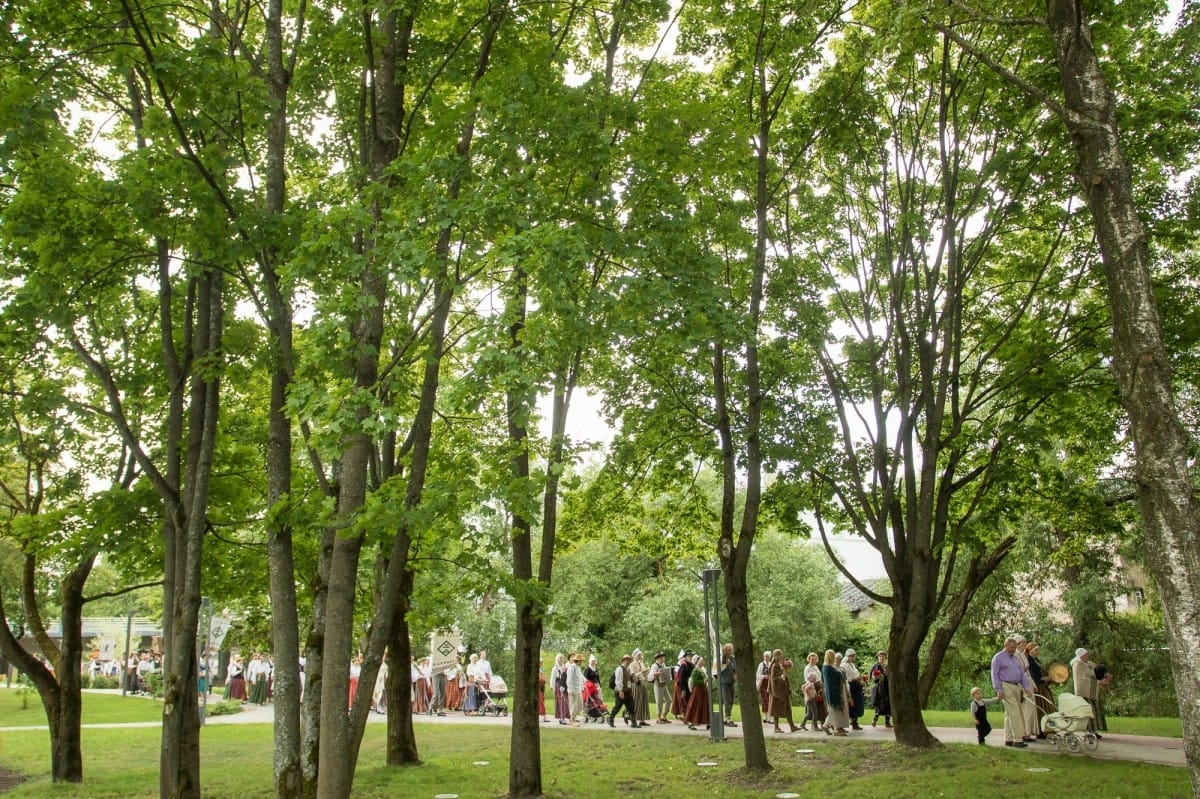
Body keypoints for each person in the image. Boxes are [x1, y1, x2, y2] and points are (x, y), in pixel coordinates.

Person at [990, 636, 1033, 747]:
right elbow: (994, 674)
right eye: (1011, 647)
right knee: (1015, 712)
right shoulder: (998, 657)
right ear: (1005, 646)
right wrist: (998, 689)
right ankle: (1018, 739)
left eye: (1014, 647)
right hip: (1005, 685)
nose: (1013, 649)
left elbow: (1021, 674)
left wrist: (1026, 687)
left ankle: (1008, 739)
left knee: (1010, 713)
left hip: (1016, 686)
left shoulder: (1015, 659)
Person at [767, 649, 800, 733]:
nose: (781, 656)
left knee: (788, 708)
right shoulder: (774, 666)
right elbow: (773, 679)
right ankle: (776, 727)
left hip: (783, 690)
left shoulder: (780, 665)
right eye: (779, 655)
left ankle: (792, 725)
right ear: (775, 656)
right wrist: (781, 677)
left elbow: (785, 671)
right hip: (777, 691)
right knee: (776, 709)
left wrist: (787, 667)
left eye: (781, 654)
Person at [1070, 647, 1101, 737]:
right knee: (1087, 711)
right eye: (1086, 655)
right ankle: (1089, 731)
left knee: (1092, 710)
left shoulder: (1085, 663)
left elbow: (1094, 671)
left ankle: (1093, 731)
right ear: (1082, 655)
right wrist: (1098, 679)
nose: (1088, 656)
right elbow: (1086, 676)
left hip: (1089, 691)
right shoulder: (1078, 664)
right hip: (1083, 692)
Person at [1025, 641, 1052, 738]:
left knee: (1046, 707)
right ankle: (1041, 730)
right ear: (1030, 650)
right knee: (1040, 708)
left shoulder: (1036, 660)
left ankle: (1048, 729)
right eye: (1035, 650)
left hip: (1042, 686)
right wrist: (1043, 678)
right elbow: (1031, 673)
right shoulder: (1028, 660)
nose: (1037, 652)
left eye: (1037, 650)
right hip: (1037, 686)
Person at [821, 649, 849, 736]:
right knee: (835, 710)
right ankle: (836, 729)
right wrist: (840, 675)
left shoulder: (830, 666)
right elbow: (835, 677)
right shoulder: (827, 667)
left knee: (836, 710)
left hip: (838, 689)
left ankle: (831, 726)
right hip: (833, 691)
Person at [684, 654, 711, 730]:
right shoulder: (695, 670)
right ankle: (691, 722)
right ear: (698, 662)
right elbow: (695, 682)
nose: (703, 662)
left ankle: (707, 722)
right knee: (696, 706)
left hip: (702, 690)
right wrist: (704, 681)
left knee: (704, 706)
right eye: (702, 661)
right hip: (698, 691)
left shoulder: (701, 670)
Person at [842, 648, 865, 730]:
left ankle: (855, 721)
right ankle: (853, 722)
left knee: (858, 704)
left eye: (854, 656)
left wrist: (860, 679)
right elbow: (846, 678)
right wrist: (856, 679)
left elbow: (856, 674)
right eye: (852, 656)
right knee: (853, 704)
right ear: (848, 656)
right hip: (851, 686)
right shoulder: (844, 665)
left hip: (856, 686)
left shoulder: (852, 665)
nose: (853, 658)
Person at [609, 654, 635, 727]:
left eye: (629, 660)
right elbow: (618, 681)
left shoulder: (628, 669)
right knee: (617, 707)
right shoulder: (619, 669)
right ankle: (610, 720)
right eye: (626, 660)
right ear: (623, 661)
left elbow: (629, 681)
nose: (627, 661)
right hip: (620, 692)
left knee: (631, 707)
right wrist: (621, 691)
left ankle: (634, 723)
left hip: (628, 692)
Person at [648, 651, 674, 723]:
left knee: (669, 700)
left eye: (663, 657)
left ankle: (664, 716)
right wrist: (655, 674)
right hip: (658, 685)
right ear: (658, 658)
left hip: (664, 685)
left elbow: (666, 673)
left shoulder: (663, 665)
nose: (663, 658)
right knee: (659, 702)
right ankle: (658, 718)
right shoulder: (654, 666)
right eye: (662, 657)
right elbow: (649, 677)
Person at [869, 651, 891, 727]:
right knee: (880, 703)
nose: (882, 657)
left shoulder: (886, 665)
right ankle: (874, 720)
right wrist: (878, 676)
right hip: (879, 687)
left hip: (887, 686)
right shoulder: (876, 666)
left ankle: (887, 722)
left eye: (883, 656)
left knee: (888, 704)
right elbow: (873, 676)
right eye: (880, 656)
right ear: (878, 657)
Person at [630, 649, 651, 727]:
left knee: (643, 701)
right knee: (636, 701)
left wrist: (647, 671)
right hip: (636, 683)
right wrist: (642, 672)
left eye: (640, 655)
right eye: (638, 655)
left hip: (642, 682)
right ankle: (633, 718)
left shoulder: (641, 663)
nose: (640, 656)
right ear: (635, 656)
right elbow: (633, 674)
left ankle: (642, 720)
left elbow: (644, 674)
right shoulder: (632, 664)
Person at [718, 643, 737, 726]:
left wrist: (736, 675)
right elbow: (718, 669)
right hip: (724, 681)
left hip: (731, 681)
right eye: (727, 650)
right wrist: (726, 664)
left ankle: (727, 717)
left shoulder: (733, 658)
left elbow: (735, 668)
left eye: (730, 650)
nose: (729, 651)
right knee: (727, 700)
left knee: (731, 700)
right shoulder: (722, 658)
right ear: (724, 650)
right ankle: (727, 718)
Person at [565, 652, 585, 725]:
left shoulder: (578, 668)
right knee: (573, 705)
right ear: (578, 661)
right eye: (581, 661)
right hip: (573, 690)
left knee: (580, 706)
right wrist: (570, 689)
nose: (582, 662)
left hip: (578, 690)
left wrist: (582, 687)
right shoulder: (571, 668)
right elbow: (569, 680)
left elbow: (580, 679)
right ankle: (572, 719)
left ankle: (573, 718)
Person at [552, 653, 571, 724]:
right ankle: (562, 718)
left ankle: (567, 716)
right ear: (557, 659)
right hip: (558, 685)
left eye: (562, 658)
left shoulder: (564, 667)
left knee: (566, 701)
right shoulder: (555, 668)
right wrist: (553, 688)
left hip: (564, 684)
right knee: (561, 701)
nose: (562, 659)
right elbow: (553, 678)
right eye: (560, 658)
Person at [756, 651, 772, 724]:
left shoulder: (771, 664)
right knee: (764, 699)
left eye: (767, 656)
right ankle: (765, 715)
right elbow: (758, 674)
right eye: (765, 656)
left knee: (769, 699)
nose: (766, 658)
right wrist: (763, 676)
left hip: (770, 683)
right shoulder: (761, 665)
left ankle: (769, 716)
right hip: (763, 683)